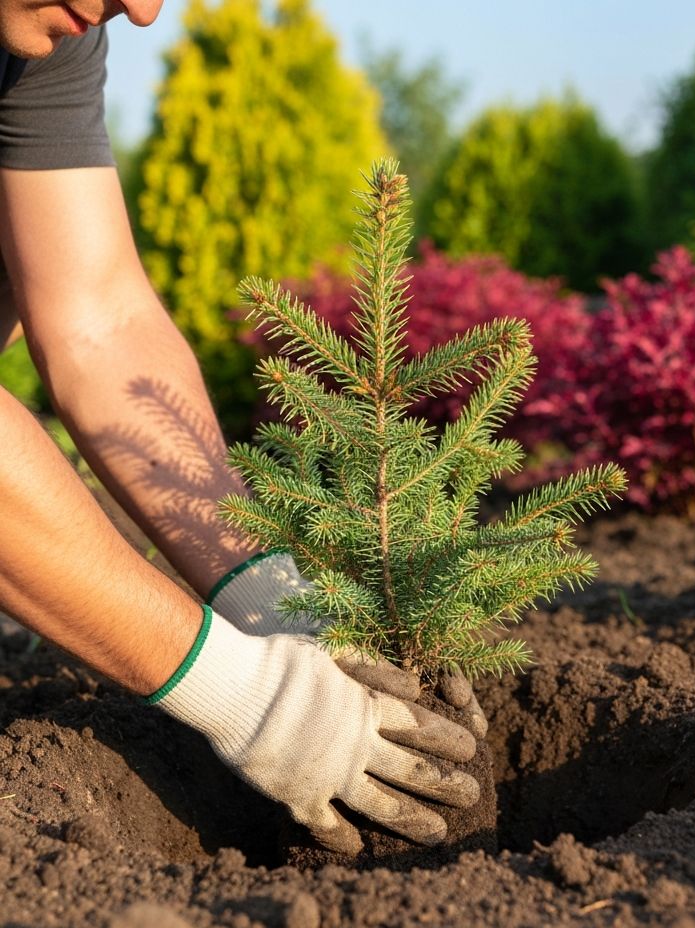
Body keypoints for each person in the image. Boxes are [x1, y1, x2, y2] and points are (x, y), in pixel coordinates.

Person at [0, 0, 483, 857]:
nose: (144, 11)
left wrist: (274, 603)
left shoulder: (43, 41)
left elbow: (98, 321)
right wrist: (250, 695)